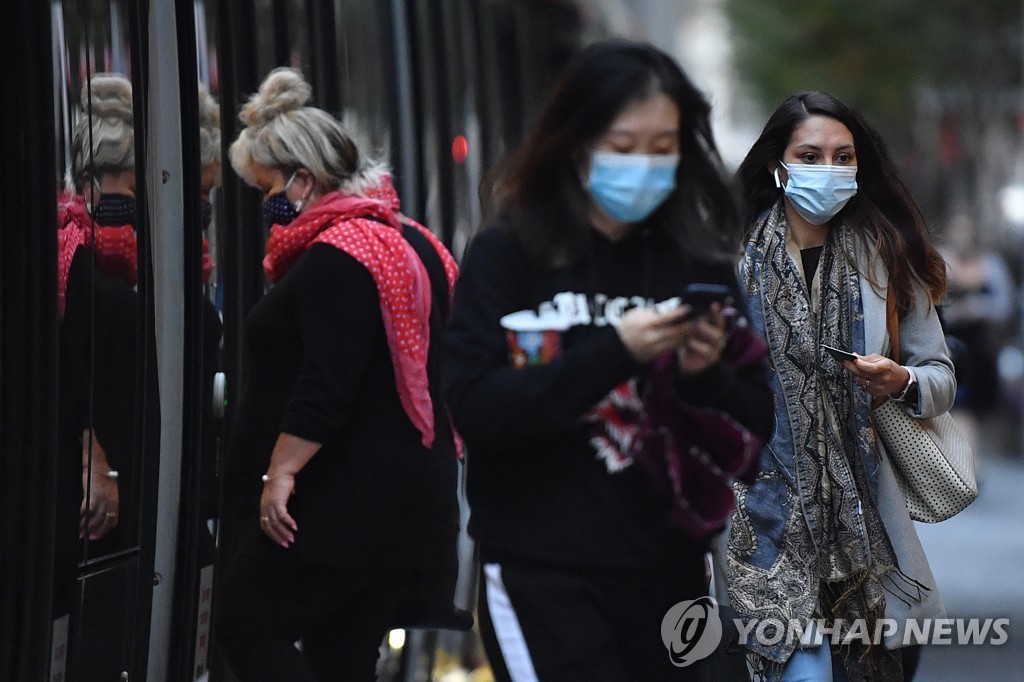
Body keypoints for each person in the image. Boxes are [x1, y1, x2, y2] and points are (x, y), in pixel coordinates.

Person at [443, 39, 774, 681]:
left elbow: (757, 427)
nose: (644, 166)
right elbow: (477, 408)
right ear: (577, 144)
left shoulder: (698, 264)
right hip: (538, 570)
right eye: (623, 147)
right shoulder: (508, 256)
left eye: (663, 148)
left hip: (670, 573)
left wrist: (706, 378)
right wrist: (616, 352)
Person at [213, 67, 462, 681]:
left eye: (267, 186)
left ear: (303, 179)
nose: (267, 204)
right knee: (343, 657)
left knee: (244, 625)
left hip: (335, 509)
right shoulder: (408, 239)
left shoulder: (339, 254)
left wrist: (280, 473)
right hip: (401, 504)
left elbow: (328, 384)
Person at [728, 91, 955, 681]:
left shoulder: (887, 257)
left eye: (842, 156)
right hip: (757, 521)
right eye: (810, 155)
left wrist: (900, 380)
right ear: (778, 165)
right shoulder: (729, 262)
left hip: (868, 525)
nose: (828, 171)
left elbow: (939, 376)